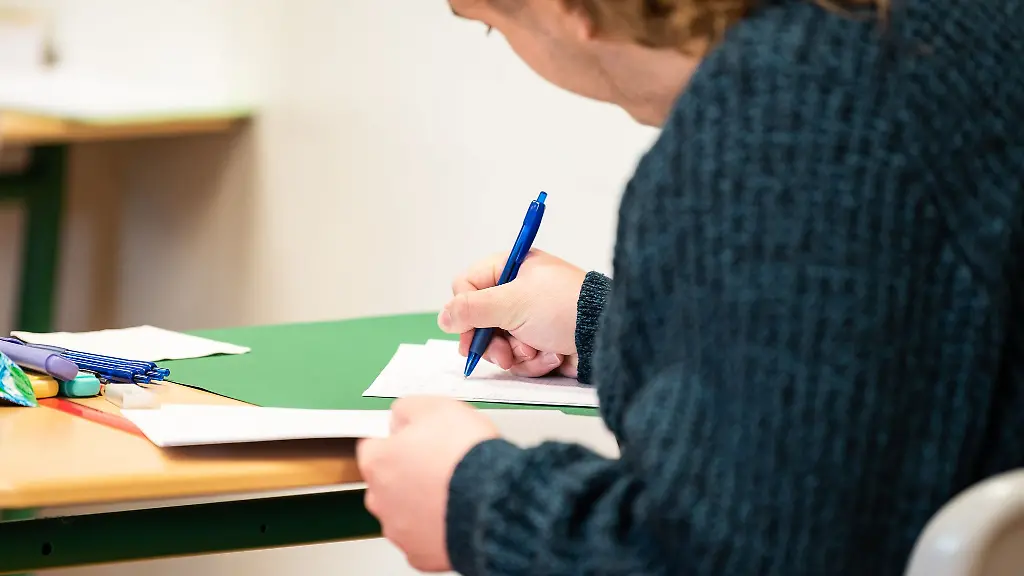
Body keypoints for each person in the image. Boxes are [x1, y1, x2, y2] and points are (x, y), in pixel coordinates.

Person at [356, 0, 1024, 574]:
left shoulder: (782, 115)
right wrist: (603, 323)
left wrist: (469, 496)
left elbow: (722, 556)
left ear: (568, 9)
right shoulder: (953, 34)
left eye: (494, 24)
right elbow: (896, 348)